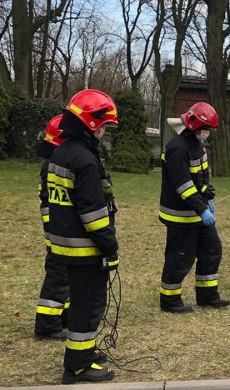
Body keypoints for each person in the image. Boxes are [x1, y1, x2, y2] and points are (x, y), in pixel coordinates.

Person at [48, 90, 119, 384]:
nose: (104, 132)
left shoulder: (62, 152)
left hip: (65, 245)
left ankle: (84, 352)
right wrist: (110, 247)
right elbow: (93, 214)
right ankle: (78, 366)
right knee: (87, 307)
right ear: (92, 124)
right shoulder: (85, 160)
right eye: (103, 126)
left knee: (80, 303)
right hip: (87, 249)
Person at [158, 102, 229, 313]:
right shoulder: (176, 149)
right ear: (195, 127)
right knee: (180, 257)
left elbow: (199, 177)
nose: (208, 134)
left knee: (212, 250)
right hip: (180, 214)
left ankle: (207, 296)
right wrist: (202, 208)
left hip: (197, 211)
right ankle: (169, 300)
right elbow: (183, 185)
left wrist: (206, 193)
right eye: (207, 130)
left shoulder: (198, 146)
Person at [34, 114, 70, 341]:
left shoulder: (53, 163)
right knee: (58, 276)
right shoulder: (52, 167)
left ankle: (61, 316)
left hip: (58, 228)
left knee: (64, 276)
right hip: (57, 230)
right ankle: (47, 325)